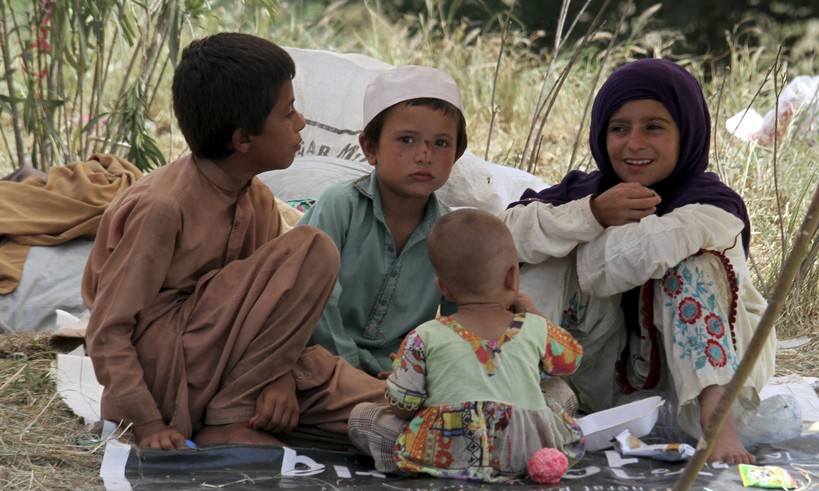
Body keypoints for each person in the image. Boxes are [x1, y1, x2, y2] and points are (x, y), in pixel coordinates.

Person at [82, 32, 384, 451]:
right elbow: (107, 330)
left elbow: (271, 312)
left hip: (236, 369)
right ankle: (229, 421)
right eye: (288, 112)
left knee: (387, 411)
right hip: (168, 382)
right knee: (312, 248)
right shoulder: (163, 207)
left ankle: (243, 409)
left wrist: (278, 378)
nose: (300, 124)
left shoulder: (256, 197)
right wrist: (148, 423)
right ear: (243, 139)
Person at [499, 58, 776, 465]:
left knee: (690, 267)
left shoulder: (714, 205)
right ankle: (519, 399)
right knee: (536, 260)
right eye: (618, 128)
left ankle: (720, 428)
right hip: (593, 379)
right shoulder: (587, 191)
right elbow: (498, 237)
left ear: (687, 133)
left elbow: (607, 268)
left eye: (654, 127)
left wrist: (584, 231)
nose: (633, 142)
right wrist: (590, 212)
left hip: (687, 389)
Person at [353, 209, 585, 482]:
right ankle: (539, 461)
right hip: (525, 449)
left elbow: (404, 407)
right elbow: (570, 360)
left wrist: (402, 376)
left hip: (447, 454)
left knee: (361, 418)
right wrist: (535, 314)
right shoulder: (534, 326)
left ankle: (433, 467)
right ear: (513, 277)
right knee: (559, 390)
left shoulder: (423, 335)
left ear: (443, 288)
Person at [297, 65, 467, 376]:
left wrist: (423, 374)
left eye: (441, 143)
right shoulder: (340, 206)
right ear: (370, 148)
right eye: (407, 140)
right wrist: (350, 372)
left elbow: (465, 320)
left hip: (400, 374)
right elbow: (314, 301)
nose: (424, 155)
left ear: (456, 154)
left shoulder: (451, 236)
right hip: (321, 360)